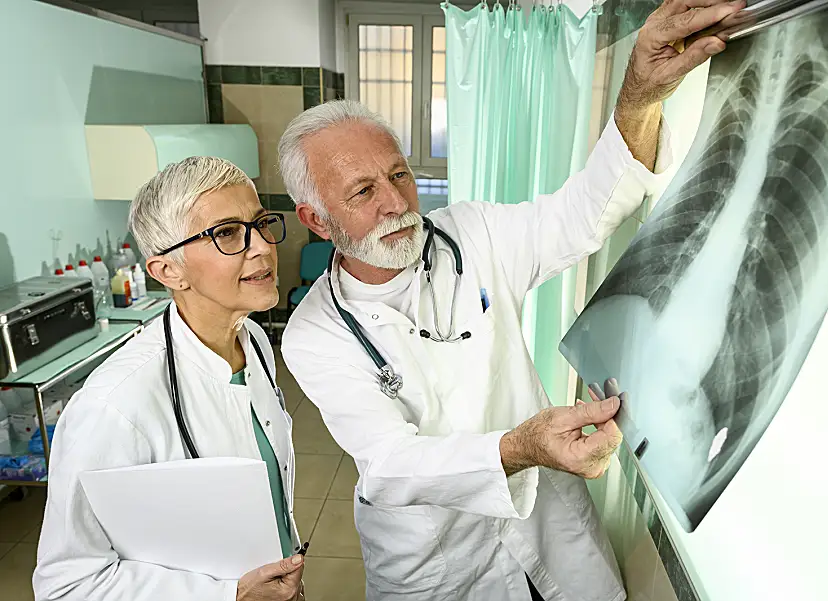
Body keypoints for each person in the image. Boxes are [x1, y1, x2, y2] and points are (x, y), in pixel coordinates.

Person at [277, 2, 743, 599]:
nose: (395, 203)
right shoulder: (315, 334)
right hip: (433, 554)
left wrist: (640, 94)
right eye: (363, 191)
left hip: (544, 519)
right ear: (316, 220)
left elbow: (583, 215)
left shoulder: (473, 232)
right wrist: (521, 446)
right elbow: (391, 462)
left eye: (399, 175)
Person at [33, 157, 307, 601]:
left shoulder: (252, 340)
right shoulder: (114, 405)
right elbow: (67, 585)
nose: (261, 248)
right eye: (227, 233)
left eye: (259, 224)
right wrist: (228, 595)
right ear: (167, 271)